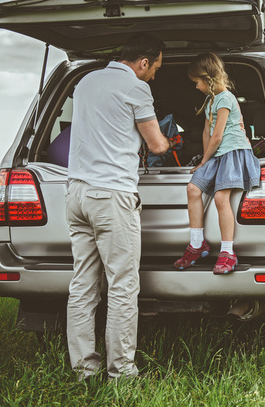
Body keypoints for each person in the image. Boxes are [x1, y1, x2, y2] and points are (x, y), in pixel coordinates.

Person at [66, 34, 174, 381]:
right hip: (111, 195)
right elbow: (156, 145)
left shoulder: (85, 81)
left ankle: (84, 370)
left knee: (82, 284)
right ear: (143, 61)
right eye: (154, 68)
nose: (153, 76)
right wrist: (173, 139)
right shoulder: (136, 88)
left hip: (77, 193)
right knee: (123, 285)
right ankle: (122, 372)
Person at [174, 53, 261, 274]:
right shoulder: (210, 100)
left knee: (222, 197)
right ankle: (196, 244)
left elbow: (218, 135)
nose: (196, 87)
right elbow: (207, 131)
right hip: (216, 154)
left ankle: (227, 252)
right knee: (193, 188)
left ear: (208, 79)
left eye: (197, 82)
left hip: (232, 153)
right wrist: (205, 159)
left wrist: (205, 160)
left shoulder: (225, 98)